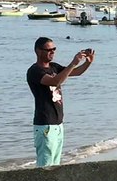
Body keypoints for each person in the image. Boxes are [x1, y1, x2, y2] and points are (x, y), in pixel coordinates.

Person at [26, 37, 93, 167]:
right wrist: (73, 62)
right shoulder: (34, 71)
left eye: (54, 49)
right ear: (38, 51)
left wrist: (87, 62)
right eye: (49, 50)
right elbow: (56, 81)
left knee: (55, 163)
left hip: (57, 124)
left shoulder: (54, 67)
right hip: (45, 124)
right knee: (45, 164)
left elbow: (75, 73)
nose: (52, 52)